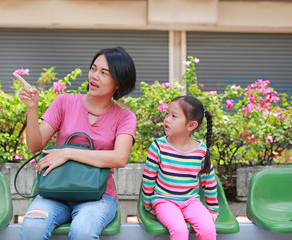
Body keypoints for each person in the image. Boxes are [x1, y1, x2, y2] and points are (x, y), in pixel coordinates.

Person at [16, 47, 137, 240]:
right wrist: (32, 109)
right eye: (93, 68)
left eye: (104, 73)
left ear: (118, 82)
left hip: (99, 197)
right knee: (32, 227)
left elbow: (119, 158)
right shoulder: (64, 102)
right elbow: (34, 146)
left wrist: (68, 152)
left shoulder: (125, 117)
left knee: (83, 230)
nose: (94, 76)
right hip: (55, 193)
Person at [141, 96, 219, 240]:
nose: (167, 119)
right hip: (164, 200)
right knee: (180, 231)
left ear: (191, 125)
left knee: (208, 230)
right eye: (167, 114)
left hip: (191, 201)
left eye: (174, 116)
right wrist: (148, 204)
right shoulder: (158, 147)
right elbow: (148, 178)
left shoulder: (201, 151)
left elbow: (209, 183)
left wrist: (213, 210)